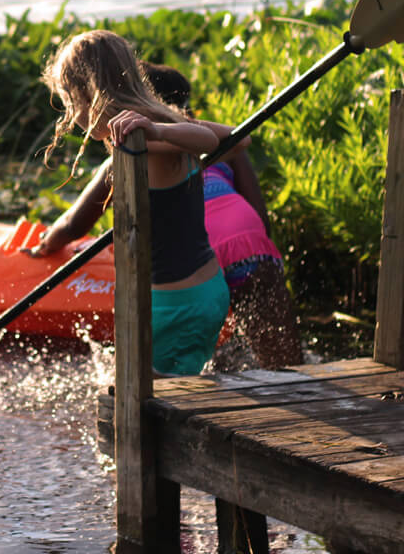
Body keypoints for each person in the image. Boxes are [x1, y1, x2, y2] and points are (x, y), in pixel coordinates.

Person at [30, 59, 302, 369]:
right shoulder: (209, 141)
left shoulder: (131, 151)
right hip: (251, 246)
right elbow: (259, 214)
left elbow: (72, 225)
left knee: (175, 363)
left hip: (194, 264)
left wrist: (44, 245)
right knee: (282, 364)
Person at [28, 29, 230, 377]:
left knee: (146, 407)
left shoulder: (147, 138)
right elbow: (238, 138)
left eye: (67, 103)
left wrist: (159, 130)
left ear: (85, 95)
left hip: (173, 306)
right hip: (206, 291)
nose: (70, 117)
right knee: (174, 391)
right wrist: (168, 124)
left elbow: (209, 139)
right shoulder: (158, 128)